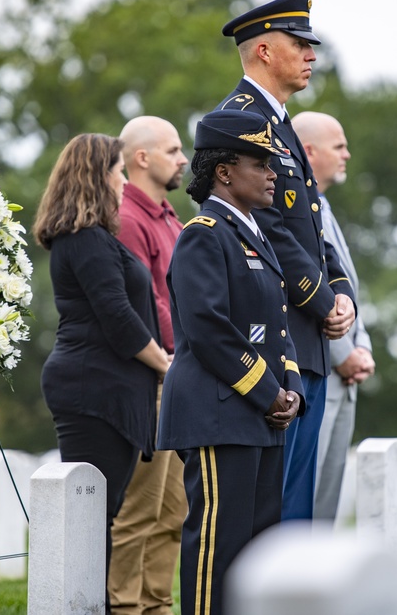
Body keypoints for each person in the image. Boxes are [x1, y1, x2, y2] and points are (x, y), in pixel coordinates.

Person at [216, 0, 356, 520]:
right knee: (274, 511)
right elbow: (268, 229)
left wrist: (339, 293)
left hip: (310, 336)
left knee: (296, 504)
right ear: (265, 52)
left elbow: (312, 224)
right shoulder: (241, 120)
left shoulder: (281, 125)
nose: (311, 55)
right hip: (279, 339)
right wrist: (322, 303)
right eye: (299, 44)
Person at [157, 109, 302, 615]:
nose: (272, 174)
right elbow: (209, 330)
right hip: (220, 414)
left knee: (257, 555)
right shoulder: (204, 233)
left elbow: (277, 327)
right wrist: (270, 392)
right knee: (219, 553)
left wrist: (292, 390)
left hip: (260, 415)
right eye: (260, 163)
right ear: (224, 171)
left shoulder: (256, 234)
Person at [33, 133, 171, 613]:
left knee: (101, 512)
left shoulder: (94, 237)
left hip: (108, 386)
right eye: (116, 170)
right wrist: (165, 364)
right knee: (94, 515)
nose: (121, 179)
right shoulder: (85, 240)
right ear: (97, 175)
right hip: (94, 389)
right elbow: (116, 316)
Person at [109, 116, 188, 615]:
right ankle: (125, 606)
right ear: (142, 157)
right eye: (174, 150)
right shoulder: (126, 218)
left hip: (182, 375)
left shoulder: (168, 216)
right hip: (156, 375)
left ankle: (157, 604)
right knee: (140, 510)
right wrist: (180, 354)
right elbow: (150, 302)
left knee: (174, 510)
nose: (184, 159)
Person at [294, 111, 376, 520]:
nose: (347, 154)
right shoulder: (298, 210)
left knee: (329, 490)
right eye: (338, 146)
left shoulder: (322, 206)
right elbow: (307, 284)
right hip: (323, 364)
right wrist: (344, 353)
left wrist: (362, 345)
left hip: (344, 364)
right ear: (309, 151)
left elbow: (345, 284)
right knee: (306, 492)